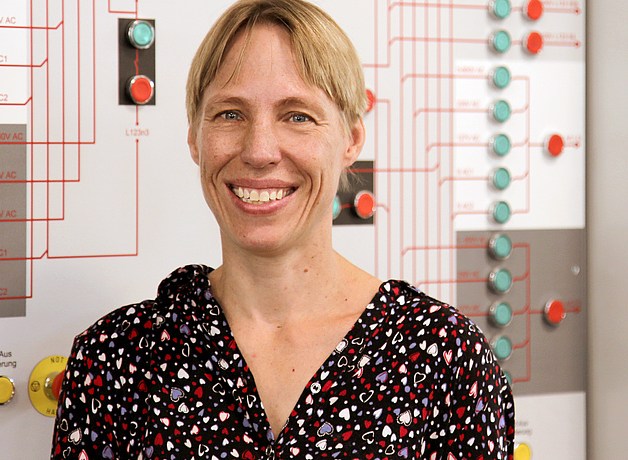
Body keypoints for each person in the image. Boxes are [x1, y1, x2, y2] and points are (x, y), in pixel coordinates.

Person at [50, 0, 514, 458]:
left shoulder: (447, 361)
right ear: (195, 136)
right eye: (230, 114)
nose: (260, 150)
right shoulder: (112, 359)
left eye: (298, 116)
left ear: (352, 139)